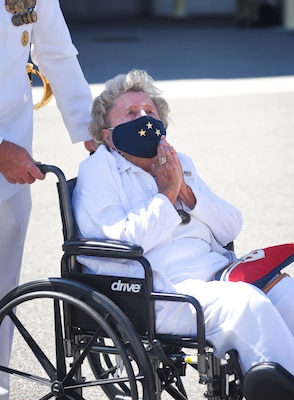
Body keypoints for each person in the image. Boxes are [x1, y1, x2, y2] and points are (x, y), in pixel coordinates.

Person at [72, 69, 294, 378]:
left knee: (286, 293)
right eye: (131, 113)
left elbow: (231, 227)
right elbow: (121, 244)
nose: (144, 119)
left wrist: (187, 193)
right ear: (107, 133)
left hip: (219, 275)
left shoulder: (177, 161)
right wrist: (166, 194)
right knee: (246, 304)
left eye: (150, 112)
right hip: (161, 293)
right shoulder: (99, 172)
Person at [0, 1, 97, 397]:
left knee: (4, 289)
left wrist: (93, 131)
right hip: (6, 154)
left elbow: (55, 50)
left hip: (11, 165)